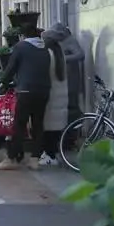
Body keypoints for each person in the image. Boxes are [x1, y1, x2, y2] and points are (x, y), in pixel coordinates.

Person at [0, 24, 52, 170]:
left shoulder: (21, 47)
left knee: (19, 125)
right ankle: (34, 158)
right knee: (38, 124)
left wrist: (3, 82)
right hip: (44, 90)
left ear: (23, 36)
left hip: (26, 91)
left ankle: (11, 158)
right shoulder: (44, 48)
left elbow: (11, 68)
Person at [39, 27, 69, 166]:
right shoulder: (59, 52)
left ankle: (49, 156)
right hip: (61, 96)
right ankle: (53, 154)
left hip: (51, 97)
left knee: (47, 129)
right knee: (55, 129)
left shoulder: (48, 54)